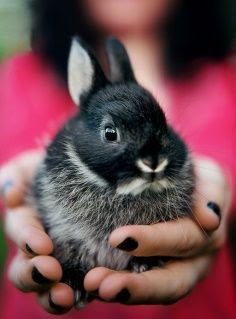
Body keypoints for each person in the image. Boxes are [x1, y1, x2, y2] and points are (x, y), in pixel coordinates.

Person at [0, 0, 236, 318]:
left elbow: (225, 173)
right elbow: (14, 186)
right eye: (111, 134)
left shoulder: (223, 79)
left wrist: (213, 198)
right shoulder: (17, 80)